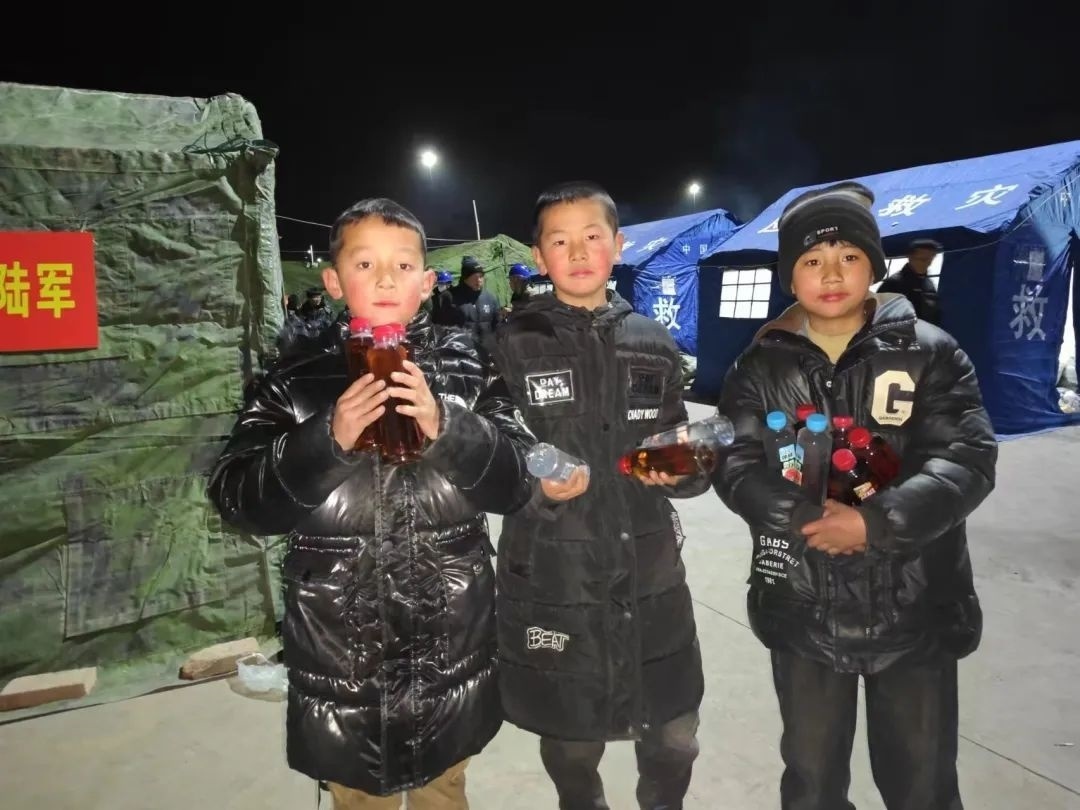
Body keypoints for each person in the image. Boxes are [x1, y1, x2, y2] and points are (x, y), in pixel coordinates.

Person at [208, 198, 536, 809]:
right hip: (342, 659)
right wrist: (323, 441)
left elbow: (518, 485)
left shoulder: (469, 369)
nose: (386, 279)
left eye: (403, 265)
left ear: (426, 281)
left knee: (445, 790)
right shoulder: (294, 381)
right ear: (333, 281)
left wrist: (449, 428)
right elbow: (237, 500)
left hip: (451, 651)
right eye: (365, 264)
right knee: (359, 798)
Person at [713, 181, 997, 810]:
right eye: (812, 260)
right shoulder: (759, 366)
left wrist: (876, 523)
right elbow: (734, 460)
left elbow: (966, 458)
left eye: (848, 256)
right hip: (804, 608)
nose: (832, 274)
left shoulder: (932, 352)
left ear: (874, 265)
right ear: (790, 276)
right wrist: (801, 516)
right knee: (812, 781)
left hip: (914, 607)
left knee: (922, 784)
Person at [490, 180, 710, 810]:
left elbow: (679, 435)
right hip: (557, 573)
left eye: (592, 236)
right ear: (539, 257)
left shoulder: (653, 340)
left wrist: (685, 469)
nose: (579, 252)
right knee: (571, 743)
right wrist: (535, 476)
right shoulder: (511, 340)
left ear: (618, 245)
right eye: (560, 241)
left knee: (675, 736)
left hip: (650, 570)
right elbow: (492, 436)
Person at [877, 237, 943, 325]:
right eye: (922, 259)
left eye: (930, 259)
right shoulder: (892, 285)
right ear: (910, 257)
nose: (926, 263)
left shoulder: (929, 286)